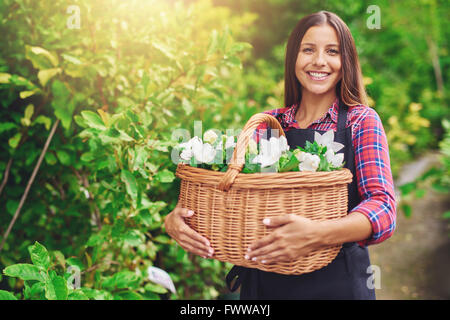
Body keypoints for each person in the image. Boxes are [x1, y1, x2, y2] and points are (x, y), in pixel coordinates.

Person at [164, 10, 396, 299]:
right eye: (308, 49)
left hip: (337, 284)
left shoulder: (360, 121)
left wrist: (317, 234)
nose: (319, 61)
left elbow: (383, 208)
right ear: (293, 58)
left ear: (345, 60)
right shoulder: (269, 124)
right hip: (264, 284)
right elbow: (234, 195)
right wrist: (178, 220)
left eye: (332, 51)